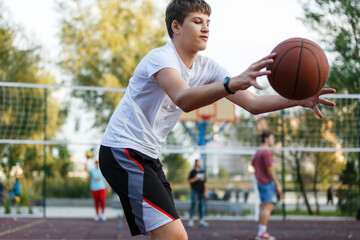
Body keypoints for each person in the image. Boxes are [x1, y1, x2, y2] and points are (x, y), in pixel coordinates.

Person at [98, 0, 335, 238]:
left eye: (208, 22)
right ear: (176, 26)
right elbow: (184, 99)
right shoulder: (161, 58)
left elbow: (252, 104)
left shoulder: (207, 67)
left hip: (147, 155)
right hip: (123, 150)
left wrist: (298, 100)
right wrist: (230, 84)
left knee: (165, 235)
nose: (206, 28)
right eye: (197, 21)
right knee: (175, 236)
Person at [252, 131, 282, 240]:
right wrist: (277, 184)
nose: (273, 140)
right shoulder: (266, 151)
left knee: (264, 206)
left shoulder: (258, 151)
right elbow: (269, 168)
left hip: (260, 181)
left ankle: (261, 232)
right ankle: (262, 233)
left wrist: (259, 174)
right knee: (267, 207)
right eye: (271, 138)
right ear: (266, 139)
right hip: (267, 182)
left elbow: (253, 163)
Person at [187, 159, 209, 227]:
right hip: (194, 190)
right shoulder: (192, 172)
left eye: (201, 162)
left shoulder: (203, 172)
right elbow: (190, 181)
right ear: (196, 163)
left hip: (202, 191)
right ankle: (191, 220)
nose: (201, 163)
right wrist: (197, 178)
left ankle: (201, 221)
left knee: (201, 205)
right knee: (193, 204)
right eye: (200, 162)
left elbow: (205, 183)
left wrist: (206, 192)